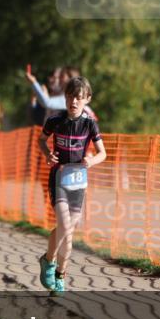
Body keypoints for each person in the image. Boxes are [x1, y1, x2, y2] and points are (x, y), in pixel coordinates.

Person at [36, 76, 107, 296]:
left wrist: (91, 161)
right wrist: (48, 155)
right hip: (59, 177)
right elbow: (41, 140)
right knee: (65, 226)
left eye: (78, 97)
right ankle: (49, 261)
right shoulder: (55, 119)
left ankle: (60, 274)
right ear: (65, 98)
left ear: (87, 99)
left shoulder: (89, 123)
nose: (73, 101)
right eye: (70, 96)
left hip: (79, 180)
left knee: (69, 231)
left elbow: (103, 153)